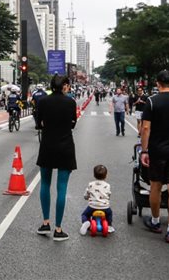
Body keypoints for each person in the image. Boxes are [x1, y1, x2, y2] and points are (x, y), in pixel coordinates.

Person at [141, 70, 169, 243]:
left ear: (157, 84)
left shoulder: (151, 101)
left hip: (157, 150)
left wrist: (144, 151)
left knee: (156, 187)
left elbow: (146, 128)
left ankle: (155, 221)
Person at [35, 74, 78, 242]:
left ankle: (45, 223)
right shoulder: (70, 102)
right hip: (65, 146)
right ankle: (58, 229)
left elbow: (39, 124)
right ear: (65, 86)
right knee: (62, 188)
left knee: (45, 184)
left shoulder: (43, 101)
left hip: (47, 146)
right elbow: (73, 123)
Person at [79, 164, 114, 235]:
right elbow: (109, 195)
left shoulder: (91, 184)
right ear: (106, 175)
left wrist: (86, 197)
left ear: (94, 175)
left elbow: (86, 194)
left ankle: (86, 222)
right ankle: (109, 225)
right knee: (109, 213)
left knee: (84, 214)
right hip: (104, 207)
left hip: (92, 207)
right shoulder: (107, 185)